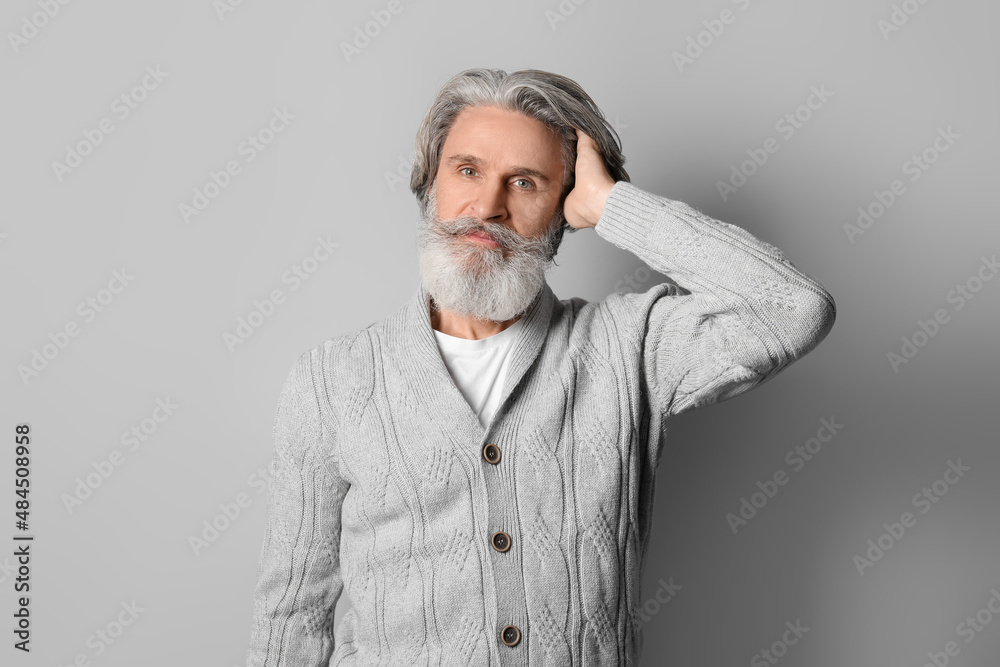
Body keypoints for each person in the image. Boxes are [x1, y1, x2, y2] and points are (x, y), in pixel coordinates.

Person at [246, 67, 836, 666]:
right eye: (467, 170)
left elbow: (792, 309)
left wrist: (613, 205)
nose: (489, 207)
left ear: (562, 212)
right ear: (430, 186)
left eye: (525, 183)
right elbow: (293, 610)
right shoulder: (331, 381)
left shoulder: (625, 349)